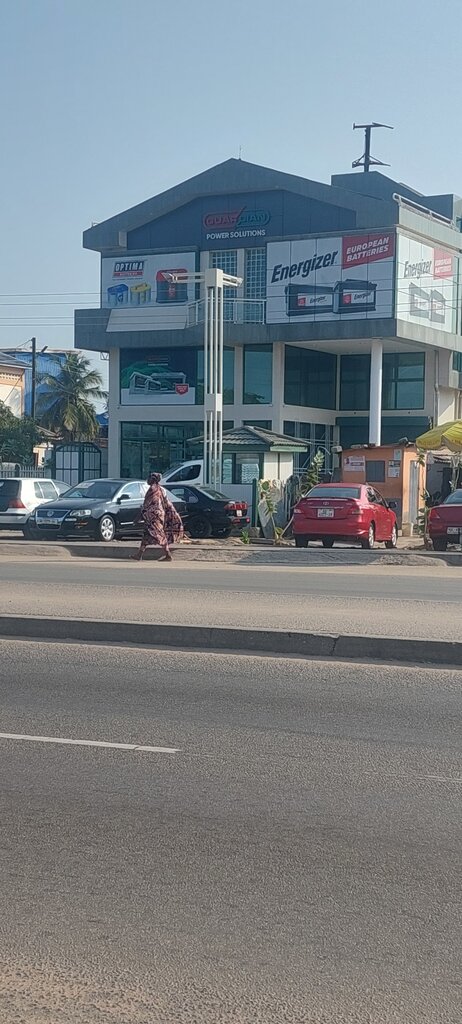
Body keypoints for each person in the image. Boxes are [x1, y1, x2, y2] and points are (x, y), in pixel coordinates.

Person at [132, 472, 183, 562]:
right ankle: (139, 554)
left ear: (153, 480)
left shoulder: (152, 490)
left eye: (149, 478)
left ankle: (168, 555)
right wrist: (173, 512)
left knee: (159, 535)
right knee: (147, 535)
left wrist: (138, 517)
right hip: (158, 516)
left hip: (153, 517)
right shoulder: (161, 489)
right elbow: (167, 502)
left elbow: (147, 505)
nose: (147, 480)